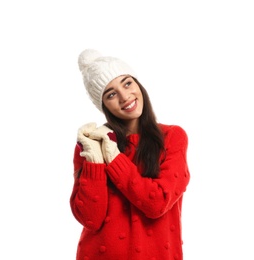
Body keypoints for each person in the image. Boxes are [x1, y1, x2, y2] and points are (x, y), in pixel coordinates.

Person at [70, 49, 190, 260]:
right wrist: (95, 161)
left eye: (127, 83)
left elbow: (157, 203)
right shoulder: (92, 143)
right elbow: (90, 218)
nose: (125, 97)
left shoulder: (172, 137)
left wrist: (114, 159)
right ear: (103, 105)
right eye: (111, 94)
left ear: (138, 84)